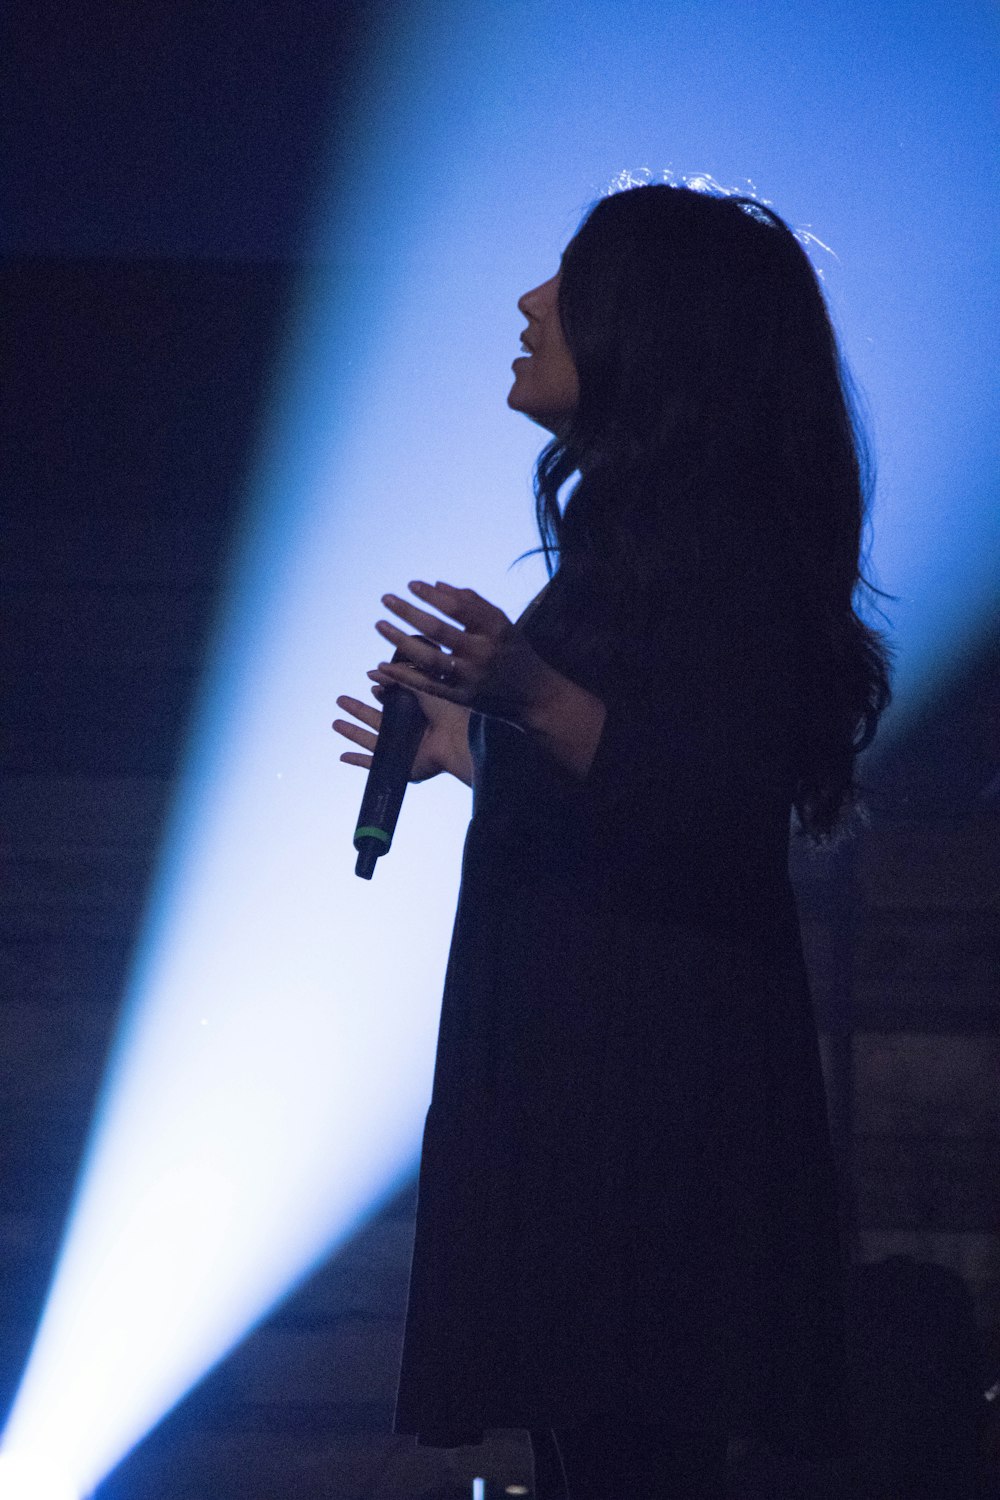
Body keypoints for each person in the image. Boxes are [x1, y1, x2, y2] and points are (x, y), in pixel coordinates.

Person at [332, 181, 892, 1498]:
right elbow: (639, 798)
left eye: (567, 286)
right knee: (599, 1454)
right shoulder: (627, 549)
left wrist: (530, 695)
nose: (531, 307)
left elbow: (719, 809)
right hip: (586, 1091)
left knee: (638, 1451)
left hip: (653, 1123)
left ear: (656, 330)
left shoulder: (734, 546)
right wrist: (476, 751)